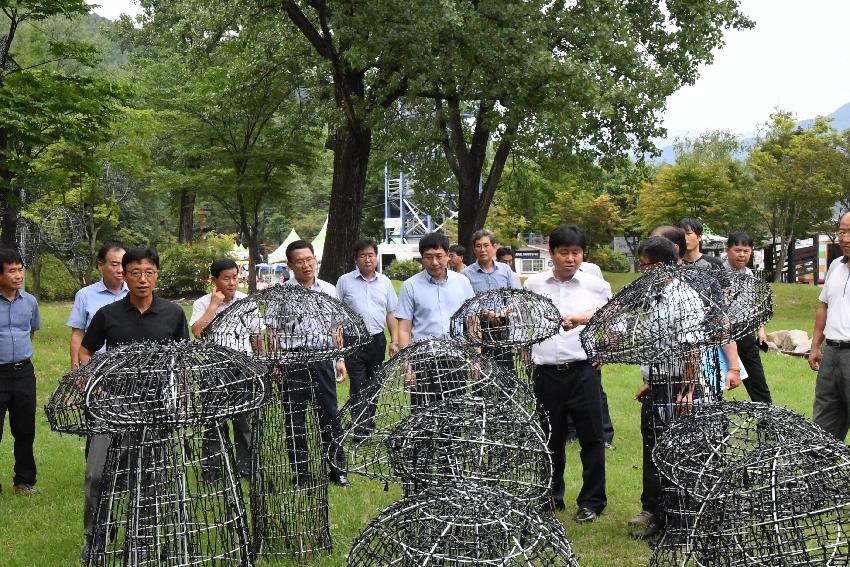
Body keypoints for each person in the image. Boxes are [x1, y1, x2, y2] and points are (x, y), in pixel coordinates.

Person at [78, 247, 189, 562]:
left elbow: (181, 360)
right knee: (98, 475)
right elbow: (86, 351)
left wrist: (179, 394)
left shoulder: (173, 314)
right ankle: (96, 537)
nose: (142, 279)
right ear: (124, 276)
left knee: (149, 477)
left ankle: (141, 537)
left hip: (156, 410)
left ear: (156, 275)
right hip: (112, 408)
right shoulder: (108, 315)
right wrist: (94, 382)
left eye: (149, 272)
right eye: (135, 273)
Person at [524, 225, 611, 523]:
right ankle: (550, 496)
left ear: (583, 254)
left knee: (592, 438)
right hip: (547, 373)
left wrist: (599, 344)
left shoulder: (595, 286)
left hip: (583, 370)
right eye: (564, 252)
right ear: (552, 253)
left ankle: (592, 501)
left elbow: (614, 324)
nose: (570, 259)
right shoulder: (534, 284)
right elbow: (524, 322)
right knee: (551, 438)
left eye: (576, 253)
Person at [282, 240, 349, 486]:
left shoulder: (329, 290)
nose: (306, 265)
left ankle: (337, 469)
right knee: (294, 418)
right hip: (293, 360)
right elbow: (273, 332)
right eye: (299, 261)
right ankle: (301, 473)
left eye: (309, 259)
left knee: (329, 415)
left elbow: (336, 327)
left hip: (322, 359)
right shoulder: (281, 294)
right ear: (290, 265)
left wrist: (339, 358)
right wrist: (278, 363)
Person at [190, 258, 257, 479]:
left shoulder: (246, 302)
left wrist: (258, 364)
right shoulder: (202, 303)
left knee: (243, 420)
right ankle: (212, 470)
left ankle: (245, 467)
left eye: (235, 277)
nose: (231, 283)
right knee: (213, 421)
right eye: (226, 278)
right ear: (214, 280)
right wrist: (213, 306)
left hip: (242, 367)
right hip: (214, 369)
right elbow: (198, 332)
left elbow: (256, 336)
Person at [337, 238, 399, 437]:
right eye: (362, 256)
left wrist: (394, 340)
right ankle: (360, 427)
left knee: (374, 383)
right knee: (358, 383)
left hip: (377, 340)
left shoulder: (385, 282)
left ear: (377, 257)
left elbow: (391, 313)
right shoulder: (345, 281)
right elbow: (337, 314)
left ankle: (368, 422)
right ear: (356, 259)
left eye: (370, 255)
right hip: (353, 340)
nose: (367, 259)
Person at [0, 248, 40, 497]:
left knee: (25, 429)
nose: (18, 275)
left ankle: (24, 481)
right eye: (12, 271)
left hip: (24, 372)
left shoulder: (30, 302)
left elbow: (31, 332)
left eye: (20, 270)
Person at [808, 212, 850, 441]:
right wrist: (815, 346)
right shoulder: (835, 266)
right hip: (831, 355)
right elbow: (823, 306)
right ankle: (818, 475)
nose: (844, 238)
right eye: (842, 232)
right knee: (823, 424)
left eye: (849, 232)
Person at [396, 232, 475, 347]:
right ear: (422, 257)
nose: (434, 262)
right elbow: (404, 329)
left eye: (439, 256)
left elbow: (472, 320)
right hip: (423, 357)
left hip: (458, 355)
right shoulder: (410, 286)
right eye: (428, 257)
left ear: (447, 255)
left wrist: (476, 356)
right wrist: (405, 362)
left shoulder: (462, 282)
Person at [724, 231, 772, 404]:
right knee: (714, 388)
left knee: (759, 384)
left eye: (746, 251)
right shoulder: (719, 273)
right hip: (723, 336)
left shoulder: (750, 274)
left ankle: (767, 426)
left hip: (746, 334)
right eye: (737, 250)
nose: (742, 255)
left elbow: (752, 306)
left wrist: (760, 329)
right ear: (727, 250)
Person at [68, 242, 127, 368]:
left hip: (127, 366)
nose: (121, 270)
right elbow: (78, 333)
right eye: (115, 264)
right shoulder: (85, 295)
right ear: (100, 265)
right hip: (94, 364)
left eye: (124, 264)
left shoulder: (135, 295)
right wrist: (76, 369)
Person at [463, 229, 521, 294]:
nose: (482, 250)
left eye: (486, 245)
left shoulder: (505, 269)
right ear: (474, 250)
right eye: (478, 246)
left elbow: (517, 294)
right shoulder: (466, 274)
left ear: (494, 247)